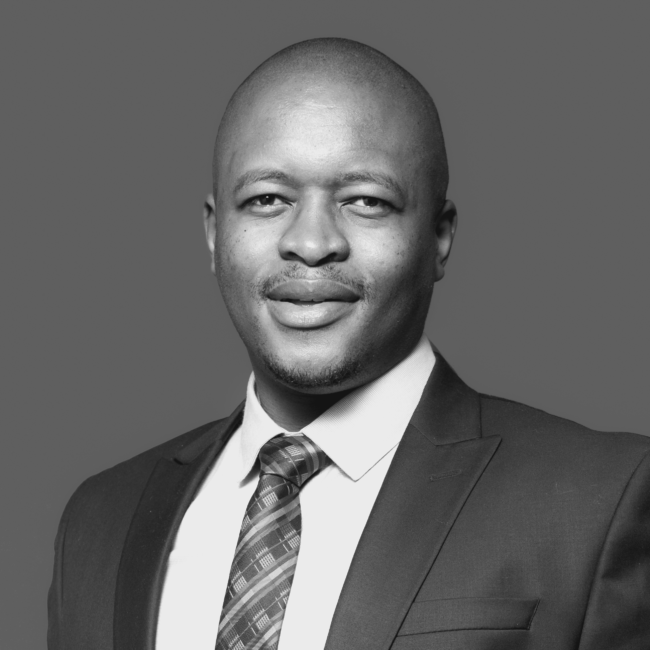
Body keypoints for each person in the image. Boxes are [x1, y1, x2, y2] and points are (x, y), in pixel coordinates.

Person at [48, 38, 650, 650]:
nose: (311, 244)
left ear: (439, 237)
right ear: (214, 231)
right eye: (266, 199)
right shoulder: (99, 520)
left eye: (366, 201)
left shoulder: (602, 498)